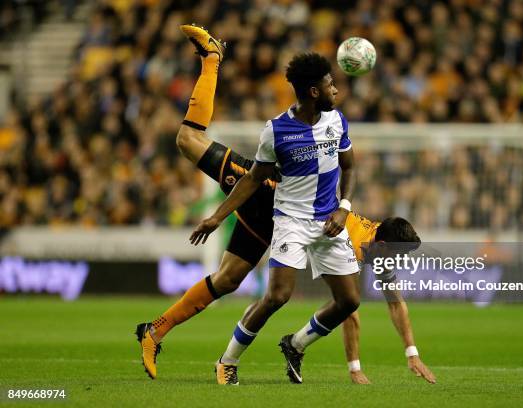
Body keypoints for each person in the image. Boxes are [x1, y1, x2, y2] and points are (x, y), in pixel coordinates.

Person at [136, 24, 435, 386]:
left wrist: (410, 354)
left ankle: (155, 331)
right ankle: (212, 59)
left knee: (228, 279)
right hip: (267, 192)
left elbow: (383, 300)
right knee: (187, 139)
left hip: (277, 221)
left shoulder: (337, 126)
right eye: (330, 84)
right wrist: (216, 217)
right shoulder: (279, 132)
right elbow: (254, 178)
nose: (337, 90)